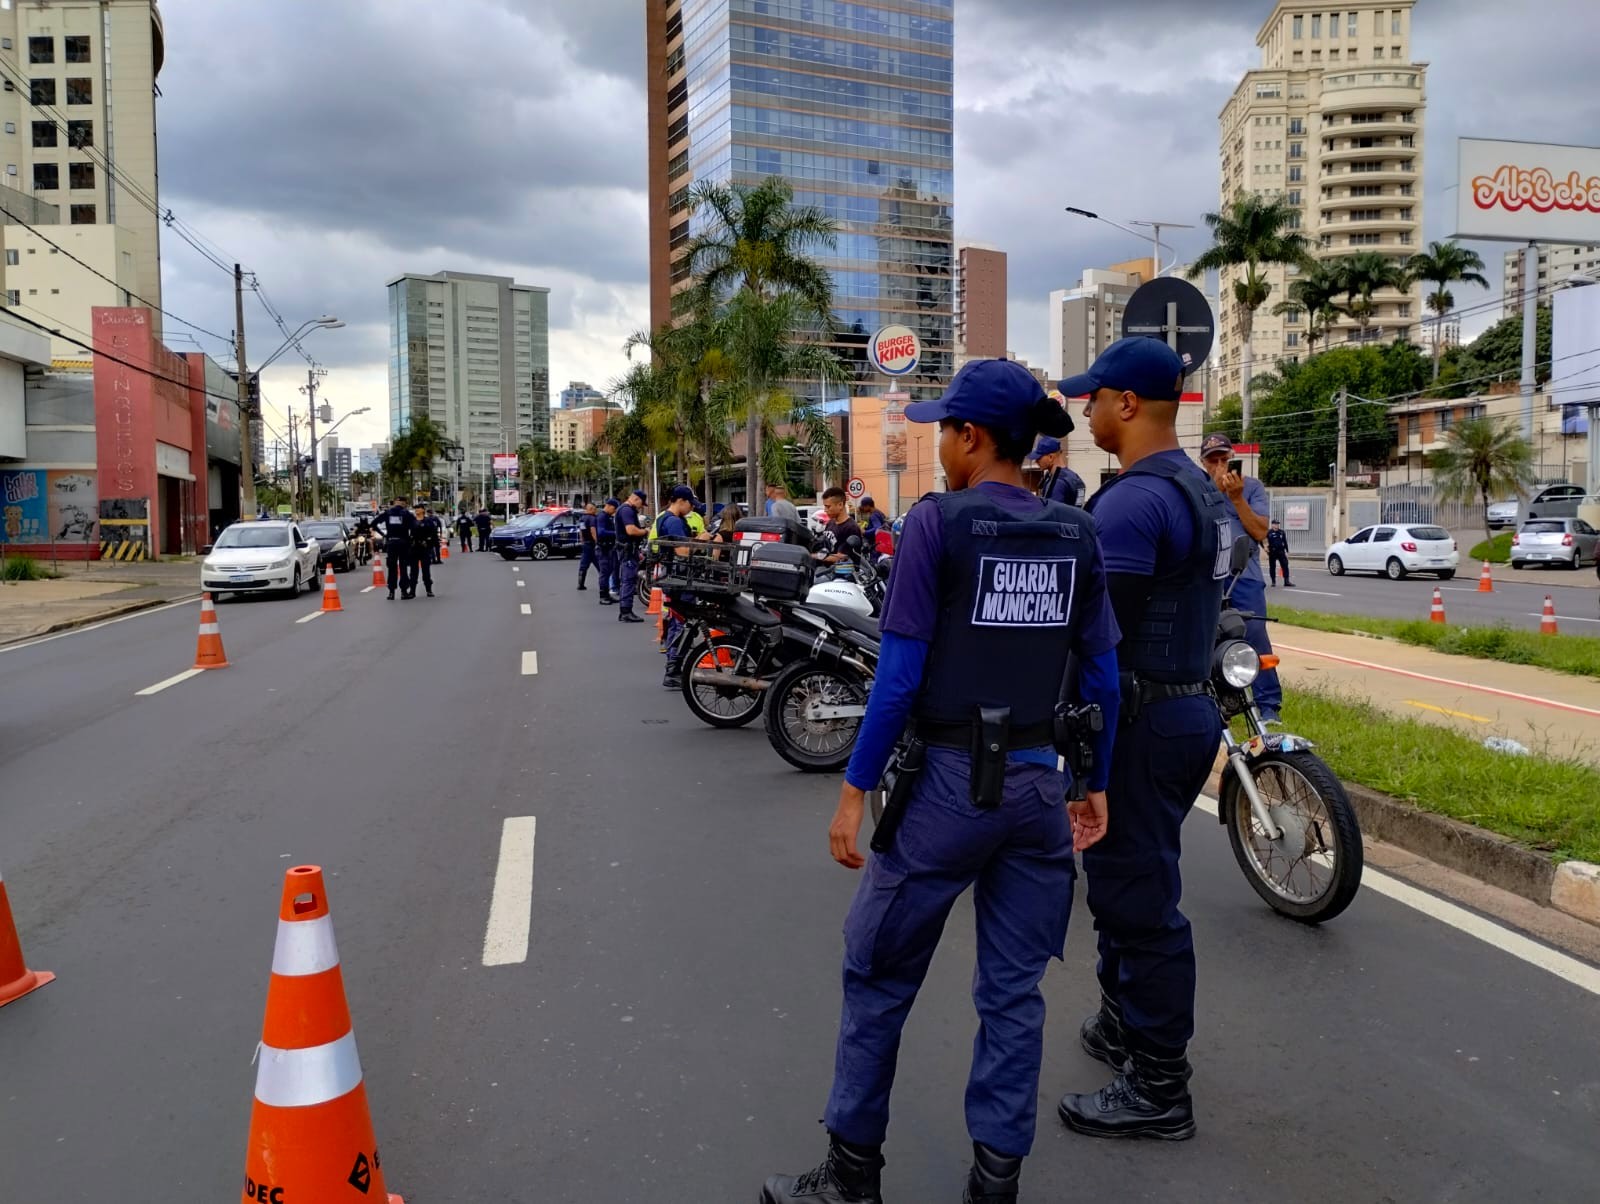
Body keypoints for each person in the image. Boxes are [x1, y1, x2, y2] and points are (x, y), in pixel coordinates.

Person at [762, 359, 1122, 1204]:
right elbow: (1102, 676)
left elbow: (897, 676)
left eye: (943, 430)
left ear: (970, 437)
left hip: (946, 792)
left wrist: (853, 790)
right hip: (1039, 788)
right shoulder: (1077, 532)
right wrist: (1093, 783)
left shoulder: (938, 524)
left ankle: (851, 1178)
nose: (939, 443)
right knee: (1013, 995)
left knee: (878, 974)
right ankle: (994, 1187)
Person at [1053, 337, 1229, 1143]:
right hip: (1185, 707)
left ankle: (1161, 1085)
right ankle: (1123, 1025)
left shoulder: (1130, 503)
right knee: (1132, 880)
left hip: (1142, 716)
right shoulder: (1194, 485)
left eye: (1094, 396)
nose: (1085, 410)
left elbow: (1096, 634)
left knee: (1139, 899)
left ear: (1126, 404)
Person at [1198, 433, 1282, 724]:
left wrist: (1235, 498)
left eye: (1225, 459)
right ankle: (1214, 700)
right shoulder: (1198, 489)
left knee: (1255, 636)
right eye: (1213, 460)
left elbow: (1260, 532)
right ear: (1203, 463)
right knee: (1205, 638)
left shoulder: (1252, 488)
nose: (1220, 466)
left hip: (1244, 577)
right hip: (1208, 578)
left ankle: (1268, 705)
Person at [656, 485, 697, 690]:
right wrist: (702, 542)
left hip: (673, 577)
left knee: (676, 623)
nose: (691, 509)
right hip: (680, 579)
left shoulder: (665, 518)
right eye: (690, 504)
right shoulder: (673, 522)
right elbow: (682, 551)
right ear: (681, 501)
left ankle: (674, 668)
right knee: (681, 625)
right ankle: (673, 670)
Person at [614, 487, 648, 624]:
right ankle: (626, 611)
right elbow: (631, 530)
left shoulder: (624, 510)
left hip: (628, 550)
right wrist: (645, 531)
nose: (640, 507)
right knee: (628, 580)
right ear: (636, 499)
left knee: (628, 580)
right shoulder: (627, 510)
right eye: (641, 503)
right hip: (627, 550)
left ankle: (626, 610)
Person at [379, 495, 418, 601]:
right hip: (403, 544)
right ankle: (403, 592)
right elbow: (415, 527)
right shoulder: (406, 514)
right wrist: (411, 538)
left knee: (392, 568)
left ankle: (391, 592)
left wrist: (384, 534)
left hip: (391, 543)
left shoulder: (388, 513)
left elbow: (374, 524)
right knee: (403, 567)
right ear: (404, 503)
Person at [1031, 435, 1087, 507]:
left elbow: (1053, 514)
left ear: (1050, 457)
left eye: (1039, 458)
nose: (1036, 461)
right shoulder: (1074, 477)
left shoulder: (1057, 482)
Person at [816, 486, 862, 565]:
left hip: (843, 575)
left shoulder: (851, 528)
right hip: (827, 573)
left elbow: (841, 557)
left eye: (828, 506)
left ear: (840, 505)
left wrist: (812, 556)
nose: (825, 510)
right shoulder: (830, 523)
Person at [595, 498, 620, 605]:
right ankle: (603, 596)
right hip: (603, 548)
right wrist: (615, 533)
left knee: (609, 571)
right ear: (609, 506)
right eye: (614, 509)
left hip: (609, 548)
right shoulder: (602, 517)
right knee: (604, 573)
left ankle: (607, 595)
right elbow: (601, 532)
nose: (614, 511)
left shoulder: (608, 517)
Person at [412, 503, 438, 598]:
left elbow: (433, 534)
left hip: (425, 548)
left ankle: (429, 590)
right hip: (414, 549)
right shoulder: (412, 521)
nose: (417, 510)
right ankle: (412, 591)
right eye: (416, 509)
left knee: (426, 571)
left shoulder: (428, 521)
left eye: (418, 509)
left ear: (423, 510)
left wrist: (429, 543)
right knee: (413, 571)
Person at [577, 502, 599, 591]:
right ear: (591, 509)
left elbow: (581, 531)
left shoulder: (582, 518)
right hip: (592, 543)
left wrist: (582, 540)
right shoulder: (592, 518)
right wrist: (597, 541)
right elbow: (593, 530)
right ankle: (604, 584)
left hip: (586, 543)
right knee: (600, 564)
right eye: (595, 509)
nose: (596, 511)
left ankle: (580, 584)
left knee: (584, 564)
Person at [1266, 518, 1293, 588]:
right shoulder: (1268, 532)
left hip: (1281, 551)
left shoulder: (1281, 532)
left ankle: (1286, 581)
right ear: (1272, 525)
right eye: (1275, 524)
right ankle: (1273, 581)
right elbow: (1264, 541)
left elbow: (1285, 541)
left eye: (1278, 524)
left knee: (1285, 565)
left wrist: (1287, 551)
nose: (1277, 525)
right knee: (1272, 567)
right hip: (1272, 552)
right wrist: (1265, 549)